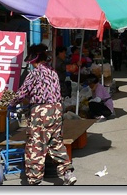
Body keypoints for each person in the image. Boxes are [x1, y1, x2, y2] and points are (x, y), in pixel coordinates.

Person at [6, 44, 77, 186]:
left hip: (41, 112)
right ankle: (67, 173)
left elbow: (22, 92)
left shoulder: (34, 74)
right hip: (56, 110)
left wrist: (11, 102)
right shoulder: (53, 72)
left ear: (34, 59)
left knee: (36, 145)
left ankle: (34, 180)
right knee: (56, 142)